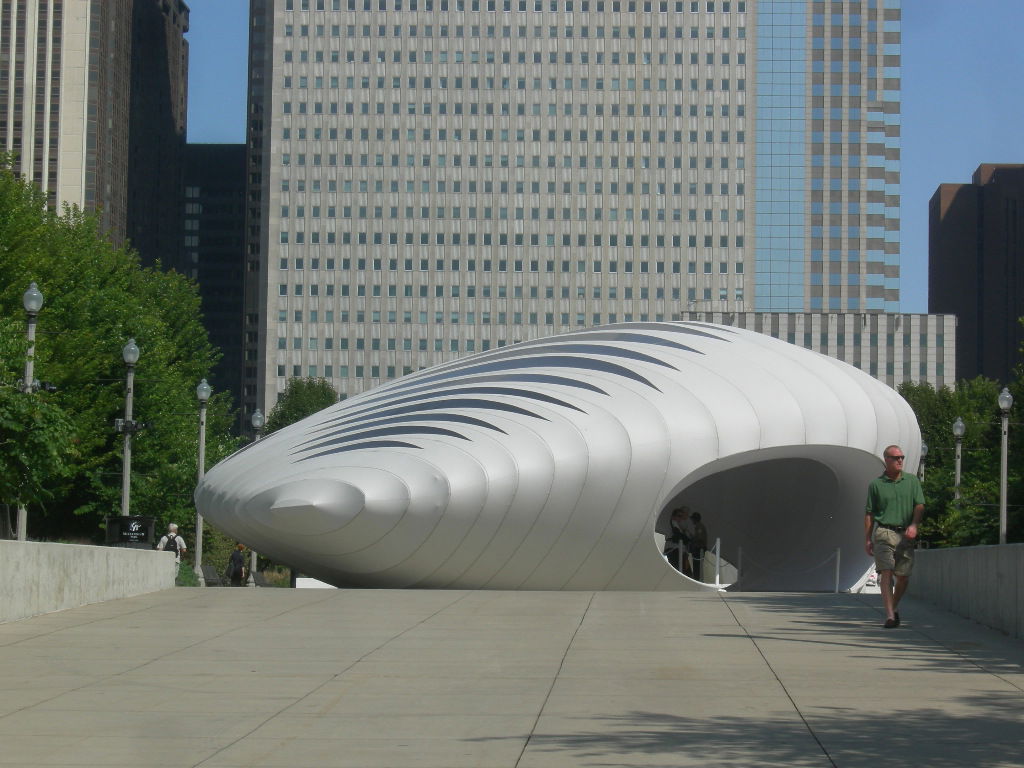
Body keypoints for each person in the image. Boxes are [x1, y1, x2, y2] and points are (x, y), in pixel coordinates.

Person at [865, 444, 925, 628]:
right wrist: (867, 538)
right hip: (884, 531)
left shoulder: (912, 481)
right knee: (886, 572)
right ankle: (890, 615)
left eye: (902, 457)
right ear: (887, 460)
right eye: (896, 458)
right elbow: (869, 513)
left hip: (905, 533)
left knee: (903, 576)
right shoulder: (876, 485)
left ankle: (894, 606)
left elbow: (920, 505)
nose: (900, 460)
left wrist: (914, 524)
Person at [663, 507, 693, 576]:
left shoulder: (679, 526)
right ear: (673, 516)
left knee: (685, 572)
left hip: (680, 551)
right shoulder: (673, 523)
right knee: (682, 572)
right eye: (679, 516)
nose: (680, 518)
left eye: (681, 516)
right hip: (674, 550)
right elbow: (678, 536)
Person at [689, 512, 708, 582]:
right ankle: (698, 580)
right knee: (697, 566)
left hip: (699, 549)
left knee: (697, 566)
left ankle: (697, 580)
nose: (692, 521)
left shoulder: (699, 527)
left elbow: (700, 538)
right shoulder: (699, 526)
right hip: (699, 549)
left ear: (695, 519)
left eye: (692, 519)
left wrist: (692, 539)